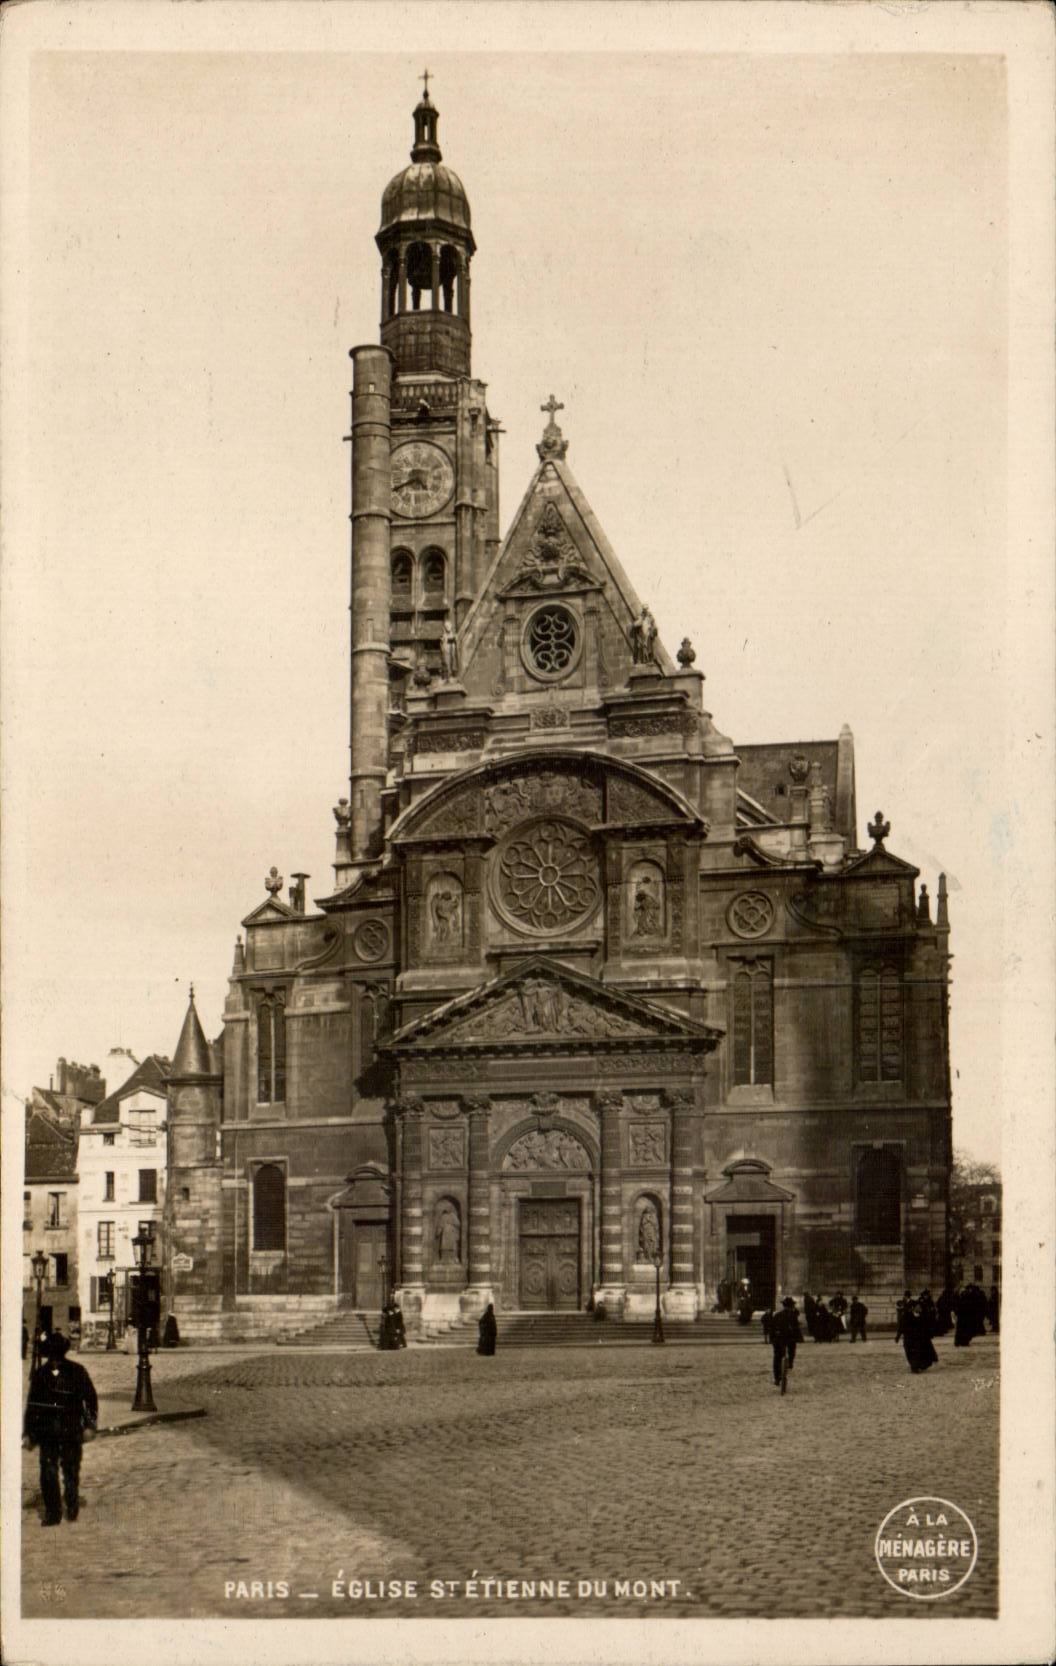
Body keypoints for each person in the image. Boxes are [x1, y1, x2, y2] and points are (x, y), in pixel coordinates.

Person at [23, 1333, 98, 1526]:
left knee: (71, 1468)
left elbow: (90, 1399)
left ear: (63, 1353)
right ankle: (53, 1512)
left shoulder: (77, 1371)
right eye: (51, 1354)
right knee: (47, 1471)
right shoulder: (40, 1375)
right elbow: (33, 1406)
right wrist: (29, 1433)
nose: (54, 1359)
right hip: (47, 1431)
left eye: (57, 1354)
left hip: (71, 1429)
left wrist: (89, 1425)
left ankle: (72, 1502)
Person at [897, 1298, 938, 1374]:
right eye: (918, 1307)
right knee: (912, 1354)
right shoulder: (907, 1315)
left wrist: (929, 1334)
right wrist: (898, 1336)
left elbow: (926, 1326)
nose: (919, 1308)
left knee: (920, 1353)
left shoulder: (922, 1316)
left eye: (920, 1307)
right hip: (910, 1339)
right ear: (913, 1307)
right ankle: (914, 1367)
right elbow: (902, 1326)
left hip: (919, 1338)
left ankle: (918, 1365)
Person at [770, 1297, 804, 1387]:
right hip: (788, 1339)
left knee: (777, 1357)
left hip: (778, 1339)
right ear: (791, 1306)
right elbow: (796, 1329)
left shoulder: (777, 1315)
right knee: (792, 1350)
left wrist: (772, 1339)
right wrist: (800, 1338)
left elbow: (772, 1329)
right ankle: (790, 1363)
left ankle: (777, 1377)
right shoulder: (792, 1315)